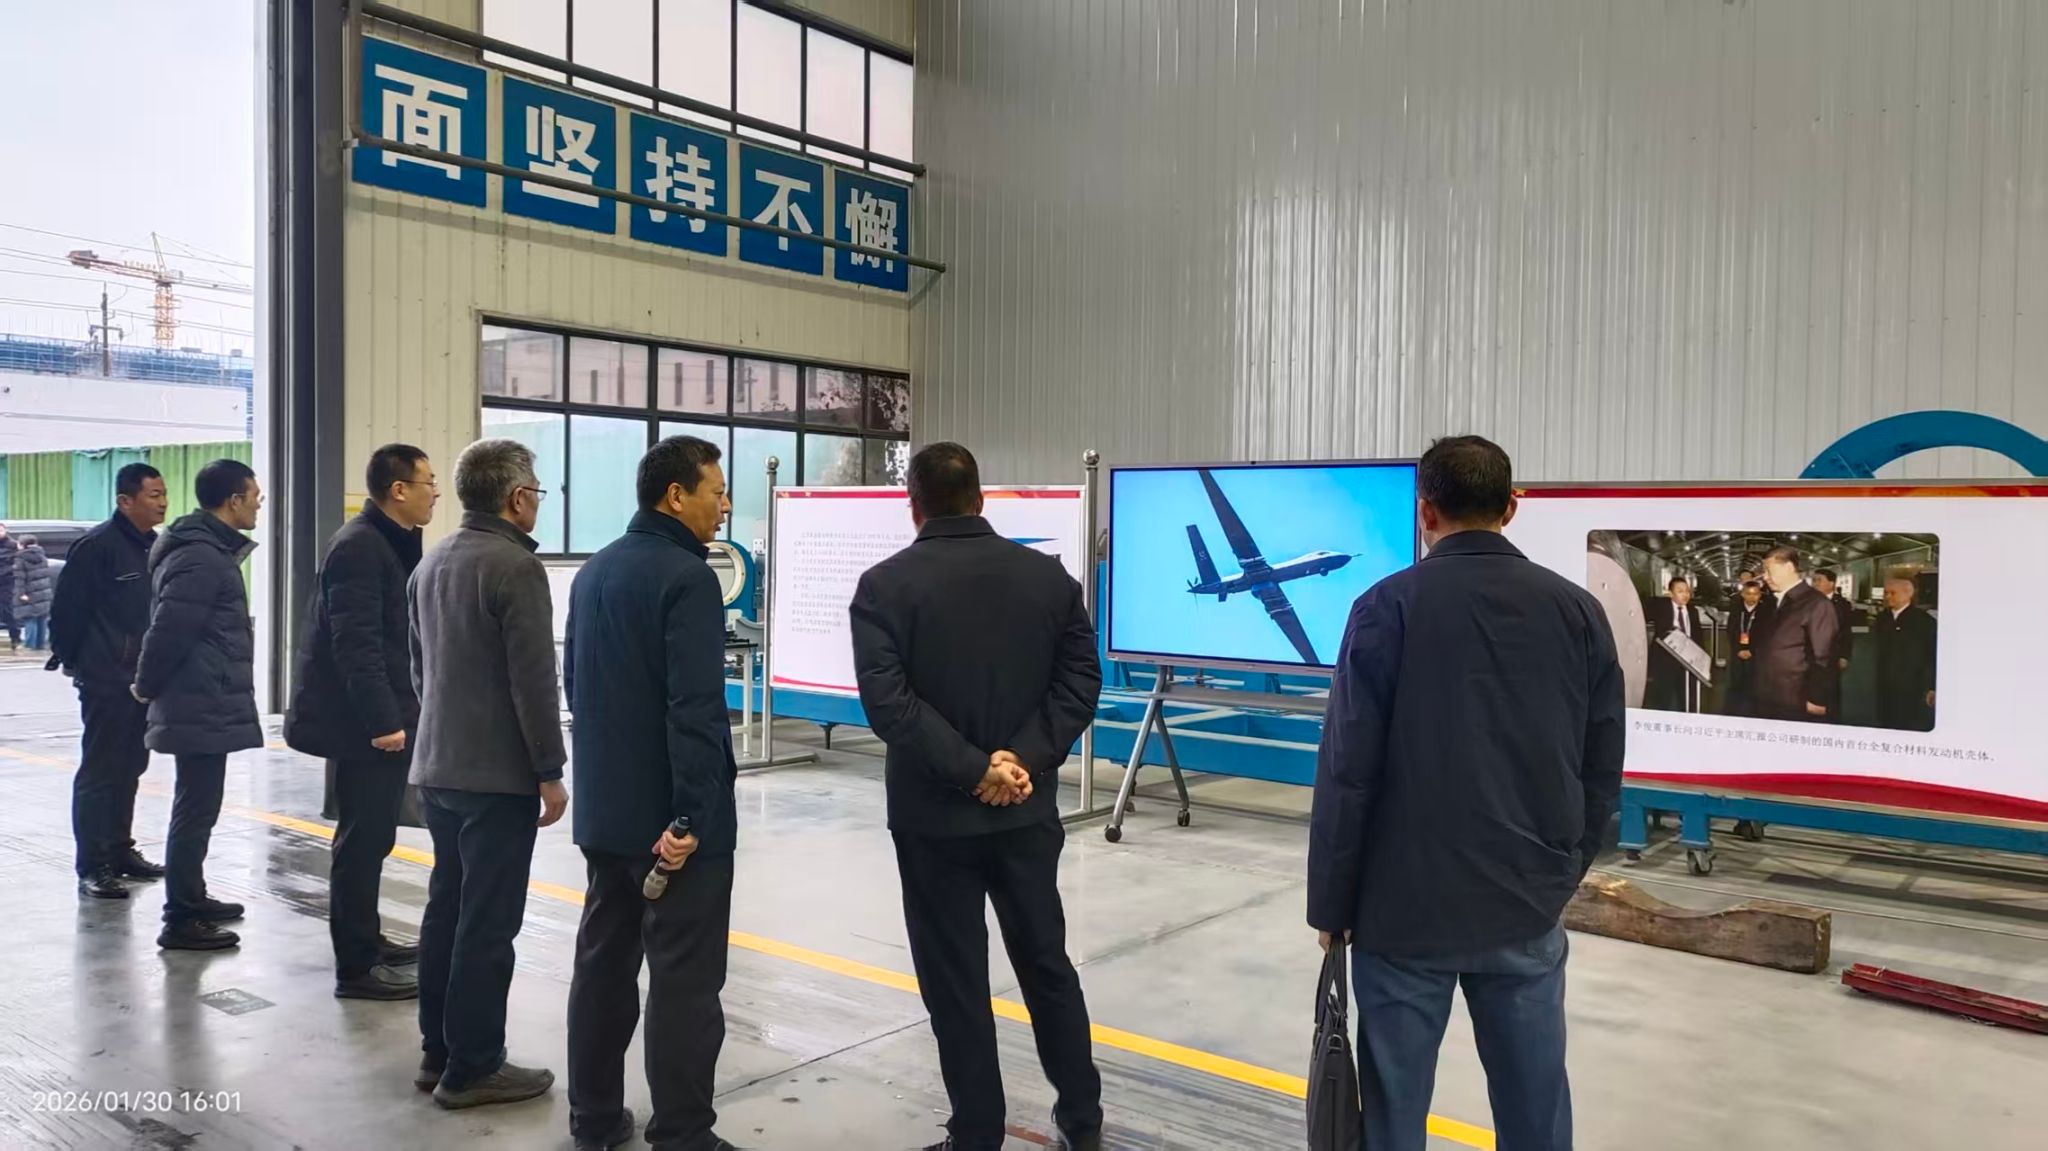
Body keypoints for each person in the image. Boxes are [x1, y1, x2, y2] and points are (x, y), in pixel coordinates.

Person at [1308, 435, 1625, 1151]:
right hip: (1525, 903)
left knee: (1392, 1114)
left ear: (1425, 512)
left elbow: (1348, 769)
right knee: (1535, 1104)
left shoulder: (1384, 608)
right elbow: (1602, 760)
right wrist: (1563, 868)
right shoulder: (1577, 611)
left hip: (1402, 910)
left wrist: (1331, 904)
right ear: (1511, 507)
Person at [850, 442, 1105, 1151]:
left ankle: (977, 1133)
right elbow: (1081, 681)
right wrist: (1019, 761)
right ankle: (1082, 1122)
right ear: (981, 499)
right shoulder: (1047, 580)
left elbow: (890, 705)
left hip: (932, 822)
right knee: (1047, 967)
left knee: (956, 981)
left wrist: (972, 769)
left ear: (914, 507)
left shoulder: (883, 588)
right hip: (1026, 811)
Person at [563, 436, 741, 1151]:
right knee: (684, 981)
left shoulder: (594, 570)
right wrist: (691, 817)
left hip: (605, 813)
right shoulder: (688, 578)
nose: (724, 504)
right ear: (676, 495)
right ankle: (683, 1133)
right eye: (716, 491)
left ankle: (594, 1119)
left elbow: (577, 687)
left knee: (603, 966)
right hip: (672, 826)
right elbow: (694, 709)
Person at [408, 438, 567, 1110]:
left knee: (447, 908)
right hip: (496, 778)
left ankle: (437, 1051)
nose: (537, 502)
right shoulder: (515, 566)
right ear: (517, 497)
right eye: (537, 492)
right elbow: (534, 681)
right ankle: (474, 1066)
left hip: (438, 767)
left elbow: (420, 670)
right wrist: (549, 769)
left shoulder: (432, 560)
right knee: (487, 923)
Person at [285, 445, 439, 1001]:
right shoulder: (360, 546)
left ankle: (368, 941)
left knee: (373, 839)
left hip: (380, 718)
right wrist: (383, 720)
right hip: (365, 727)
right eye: (428, 482)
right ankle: (355, 967)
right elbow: (356, 643)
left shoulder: (388, 542)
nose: (435, 492)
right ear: (399, 490)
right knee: (360, 842)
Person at [133, 458, 264, 952]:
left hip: (206, 699)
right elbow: (169, 630)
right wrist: (145, 686)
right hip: (200, 700)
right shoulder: (202, 557)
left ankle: (192, 895)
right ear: (233, 500)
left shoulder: (206, 551)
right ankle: (181, 917)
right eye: (255, 497)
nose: (258, 506)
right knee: (194, 809)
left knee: (199, 805)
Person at [50, 463, 170, 900]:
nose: (163, 503)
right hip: (105, 679)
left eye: (164, 494)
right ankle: (93, 864)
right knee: (101, 771)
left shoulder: (154, 545)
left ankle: (120, 851)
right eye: (154, 495)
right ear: (125, 500)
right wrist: (79, 664)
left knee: (131, 766)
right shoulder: (97, 546)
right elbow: (67, 613)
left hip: (141, 679)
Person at [1754, 546, 1840, 723]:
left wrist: (1817, 698)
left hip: (1795, 697)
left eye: (1768, 570)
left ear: (1788, 567)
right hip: (1770, 692)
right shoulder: (1774, 601)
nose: (1764, 576)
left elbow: (1824, 656)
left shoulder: (1817, 604)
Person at [1873, 575, 1937, 732]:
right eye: (1886, 593)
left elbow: (1932, 654)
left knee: (1909, 723)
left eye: (1892, 593)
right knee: (1886, 721)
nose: (1888, 597)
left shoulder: (1924, 621)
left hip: (1914, 684)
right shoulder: (1882, 618)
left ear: (1908, 593)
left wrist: (1931, 686)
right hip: (1886, 681)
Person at [1647, 576, 1703, 713]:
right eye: (1680, 591)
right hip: (1665, 659)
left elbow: (1698, 635)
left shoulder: (1693, 611)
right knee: (1664, 697)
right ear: (1671, 593)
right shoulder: (1661, 607)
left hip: (1687, 660)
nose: (1685, 595)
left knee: (1685, 695)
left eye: (1687, 591)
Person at [1811, 569, 1856, 722]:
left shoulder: (1843, 605)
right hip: (1810, 654)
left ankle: (1832, 719)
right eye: (1814, 580)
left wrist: (1844, 655)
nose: (1815, 583)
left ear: (1831, 583)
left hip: (1832, 654)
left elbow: (1846, 632)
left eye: (1819, 580)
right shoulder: (1807, 602)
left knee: (1831, 687)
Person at [1727, 581, 1769, 718]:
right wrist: (1738, 649)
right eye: (1748, 594)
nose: (1752, 597)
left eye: (1755, 594)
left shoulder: (1766, 611)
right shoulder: (1736, 609)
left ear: (1760, 595)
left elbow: (1766, 635)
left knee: (1755, 685)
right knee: (1736, 684)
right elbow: (1731, 630)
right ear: (1742, 594)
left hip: (1756, 654)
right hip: (1737, 652)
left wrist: (1752, 651)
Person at [13, 534, 54, 650]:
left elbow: (20, 579)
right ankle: (40, 645)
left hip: (29, 593)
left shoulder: (21, 558)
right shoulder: (42, 556)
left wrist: (21, 594)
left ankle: (29, 645)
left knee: (30, 618)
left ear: (22, 545)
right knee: (41, 619)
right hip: (43, 593)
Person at [0, 522, 18, 650]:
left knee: (8, 611)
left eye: (1, 530)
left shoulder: (13, 545)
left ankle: (15, 637)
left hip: (7, 584)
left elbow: (17, 564)